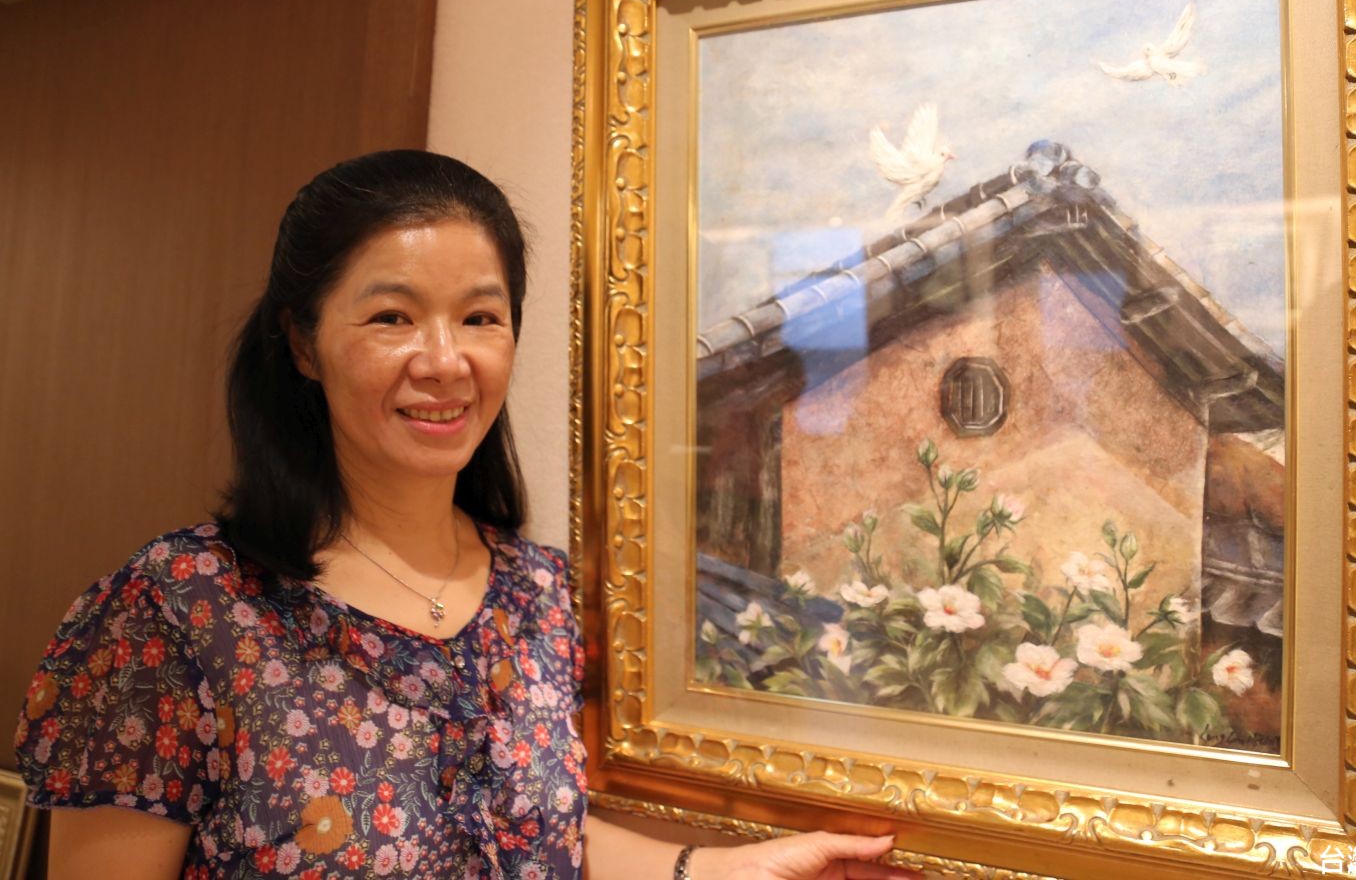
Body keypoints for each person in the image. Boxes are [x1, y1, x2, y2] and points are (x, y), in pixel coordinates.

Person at [12, 152, 917, 879]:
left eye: (480, 317)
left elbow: (529, 836)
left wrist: (722, 868)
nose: (445, 361)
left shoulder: (545, 598)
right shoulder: (178, 609)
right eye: (393, 318)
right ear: (302, 342)